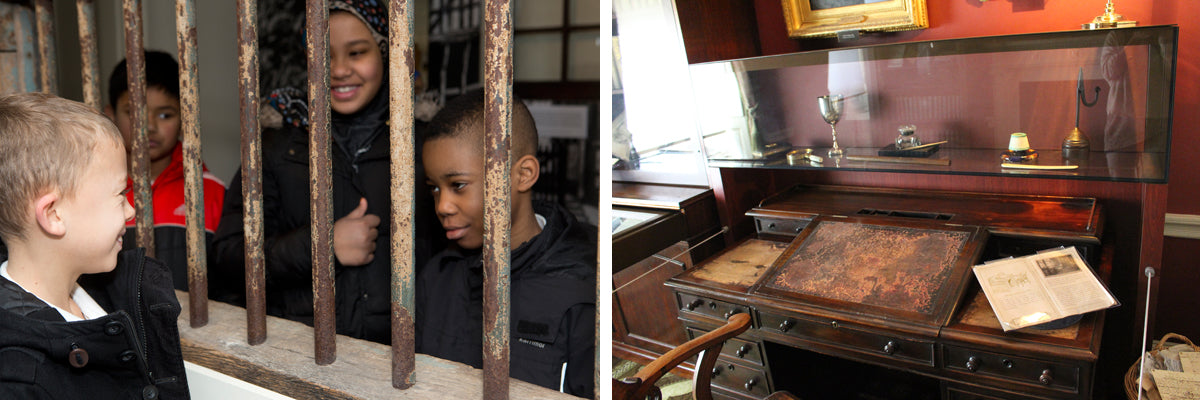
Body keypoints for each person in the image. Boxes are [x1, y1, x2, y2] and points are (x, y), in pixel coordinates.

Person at [212, 0, 439, 343]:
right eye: (324, 53)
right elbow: (228, 257)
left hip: (404, 355)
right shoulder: (277, 144)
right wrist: (322, 246)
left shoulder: (425, 142)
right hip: (299, 350)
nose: (339, 69)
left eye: (357, 52)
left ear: (386, 52)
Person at [0, 92, 189, 399]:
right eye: (119, 194)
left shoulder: (109, 294)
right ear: (53, 214)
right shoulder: (20, 378)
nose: (131, 210)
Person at [415, 90, 596, 396]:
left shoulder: (583, 285)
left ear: (523, 175)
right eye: (434, 188)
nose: (442, 205)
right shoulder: (436, 277)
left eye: (458, 185)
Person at [105, 50, 227, 292]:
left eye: (164, 114)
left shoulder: (212, 192)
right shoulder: (91, 193)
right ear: (111, 115)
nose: (149, 126)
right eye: (134, 111)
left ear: (185, 117)